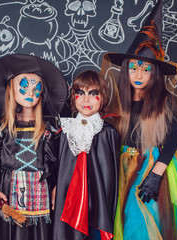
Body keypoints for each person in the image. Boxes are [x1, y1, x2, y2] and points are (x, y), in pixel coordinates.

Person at [100, 1, 177, 239]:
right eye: (134, 68)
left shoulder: (163, 101)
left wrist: (156, 174)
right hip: (122, 167)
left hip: (153, 165)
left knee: (147, 220)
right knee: (124, 221)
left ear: (154, 73)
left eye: (146, 69)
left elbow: (173, 138)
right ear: (126, 69)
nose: (139, 75)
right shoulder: (116, 100)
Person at [0, 54, 67, 240]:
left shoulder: (50, 127)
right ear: (11, 88)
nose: (30, 93)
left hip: (40, 191)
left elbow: (58, 163)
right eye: (24, 86)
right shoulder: (0, 125)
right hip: (8, 190)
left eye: (36, 88)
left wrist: (56, 190)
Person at [53, 70, 119, 240]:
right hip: (69, 200)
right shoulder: (65, 131)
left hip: (97, 203)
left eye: (93, 93)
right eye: (80, 93)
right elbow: (60, 168)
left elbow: (110, 176)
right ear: (73, 97)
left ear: (102, 97)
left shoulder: (108, 133)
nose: (86, 99)